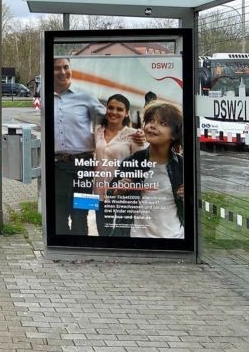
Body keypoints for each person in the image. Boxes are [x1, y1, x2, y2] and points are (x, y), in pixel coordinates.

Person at [107, 101, 184, 239]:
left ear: (174, 135)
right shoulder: (133, 161)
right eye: (150, 121)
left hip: (173, 237)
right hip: (136, 237)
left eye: (163, 123)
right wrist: (118, 190)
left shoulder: (181, 165)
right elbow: (110, 193)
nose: (152, 126)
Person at [52, 57, 105, 235]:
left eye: (66, 67)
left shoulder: (86, 96)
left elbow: (111, 121)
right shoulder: (44, 98)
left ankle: (81, 253)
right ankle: (63, 253)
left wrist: (135, 133)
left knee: (81, 212)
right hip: (57, 167)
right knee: (58, 214)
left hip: (83, 166)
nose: (62, 72)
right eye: (57, 68)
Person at [92, 94, 145, 236]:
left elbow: (140, 166)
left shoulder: (134, 135)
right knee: (102, 231)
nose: (114, 112)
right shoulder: (97, 131)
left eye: (119, 109)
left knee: (120, 233)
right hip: (99, 192)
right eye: (110, 108)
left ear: (126, 113)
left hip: (121, 194)